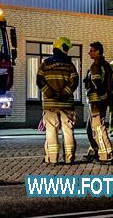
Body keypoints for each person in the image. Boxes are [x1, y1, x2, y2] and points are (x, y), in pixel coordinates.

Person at [36, 36, 79, 164]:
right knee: (68, 130)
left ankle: (52, 159)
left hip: (50, 104)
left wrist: (50, 93)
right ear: (63, 48)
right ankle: (69, 158)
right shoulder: (70, 65)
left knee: (51, 130)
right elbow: (74, 82)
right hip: (66, 104)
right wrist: (63, 94)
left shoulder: (45, 64)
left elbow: (39, 81)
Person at [83, 41, 113, 163]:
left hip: (96, 102)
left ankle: (106, 153)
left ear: (97, 52)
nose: (89, 52)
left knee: (98, 127)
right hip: (102, 100)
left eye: (91, 50)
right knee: (90, 128)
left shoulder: (96, 65)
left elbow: (97, 82)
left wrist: (100, 95)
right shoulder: (107, 65)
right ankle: (94, 150)